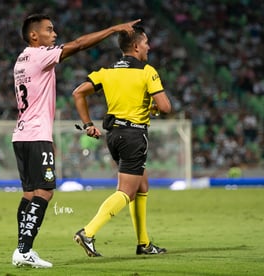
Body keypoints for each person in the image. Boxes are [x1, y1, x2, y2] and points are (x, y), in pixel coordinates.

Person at [11, 13, 141, 268]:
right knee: (45, 193)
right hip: (37, 135)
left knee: (29, 195)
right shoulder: (40, 54)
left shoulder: (21, 59)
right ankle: (24, 250)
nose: (55, 34)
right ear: (34, 35)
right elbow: (79, 44)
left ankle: (22, 249)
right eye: (49, 30)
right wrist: (113, 28)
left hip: (21, 134)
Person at [72, 25, 172, 257]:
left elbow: (78, 92)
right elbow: (166, 107)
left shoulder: (106, 72)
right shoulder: (147, 71)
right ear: (136, 46)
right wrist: (153, 106)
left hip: (114, 136)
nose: (148, 46)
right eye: (146, 42)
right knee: (126, 192)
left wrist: (88, 124)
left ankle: (144, 244)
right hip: (134, 136)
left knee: (141, 186)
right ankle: (88, 232)